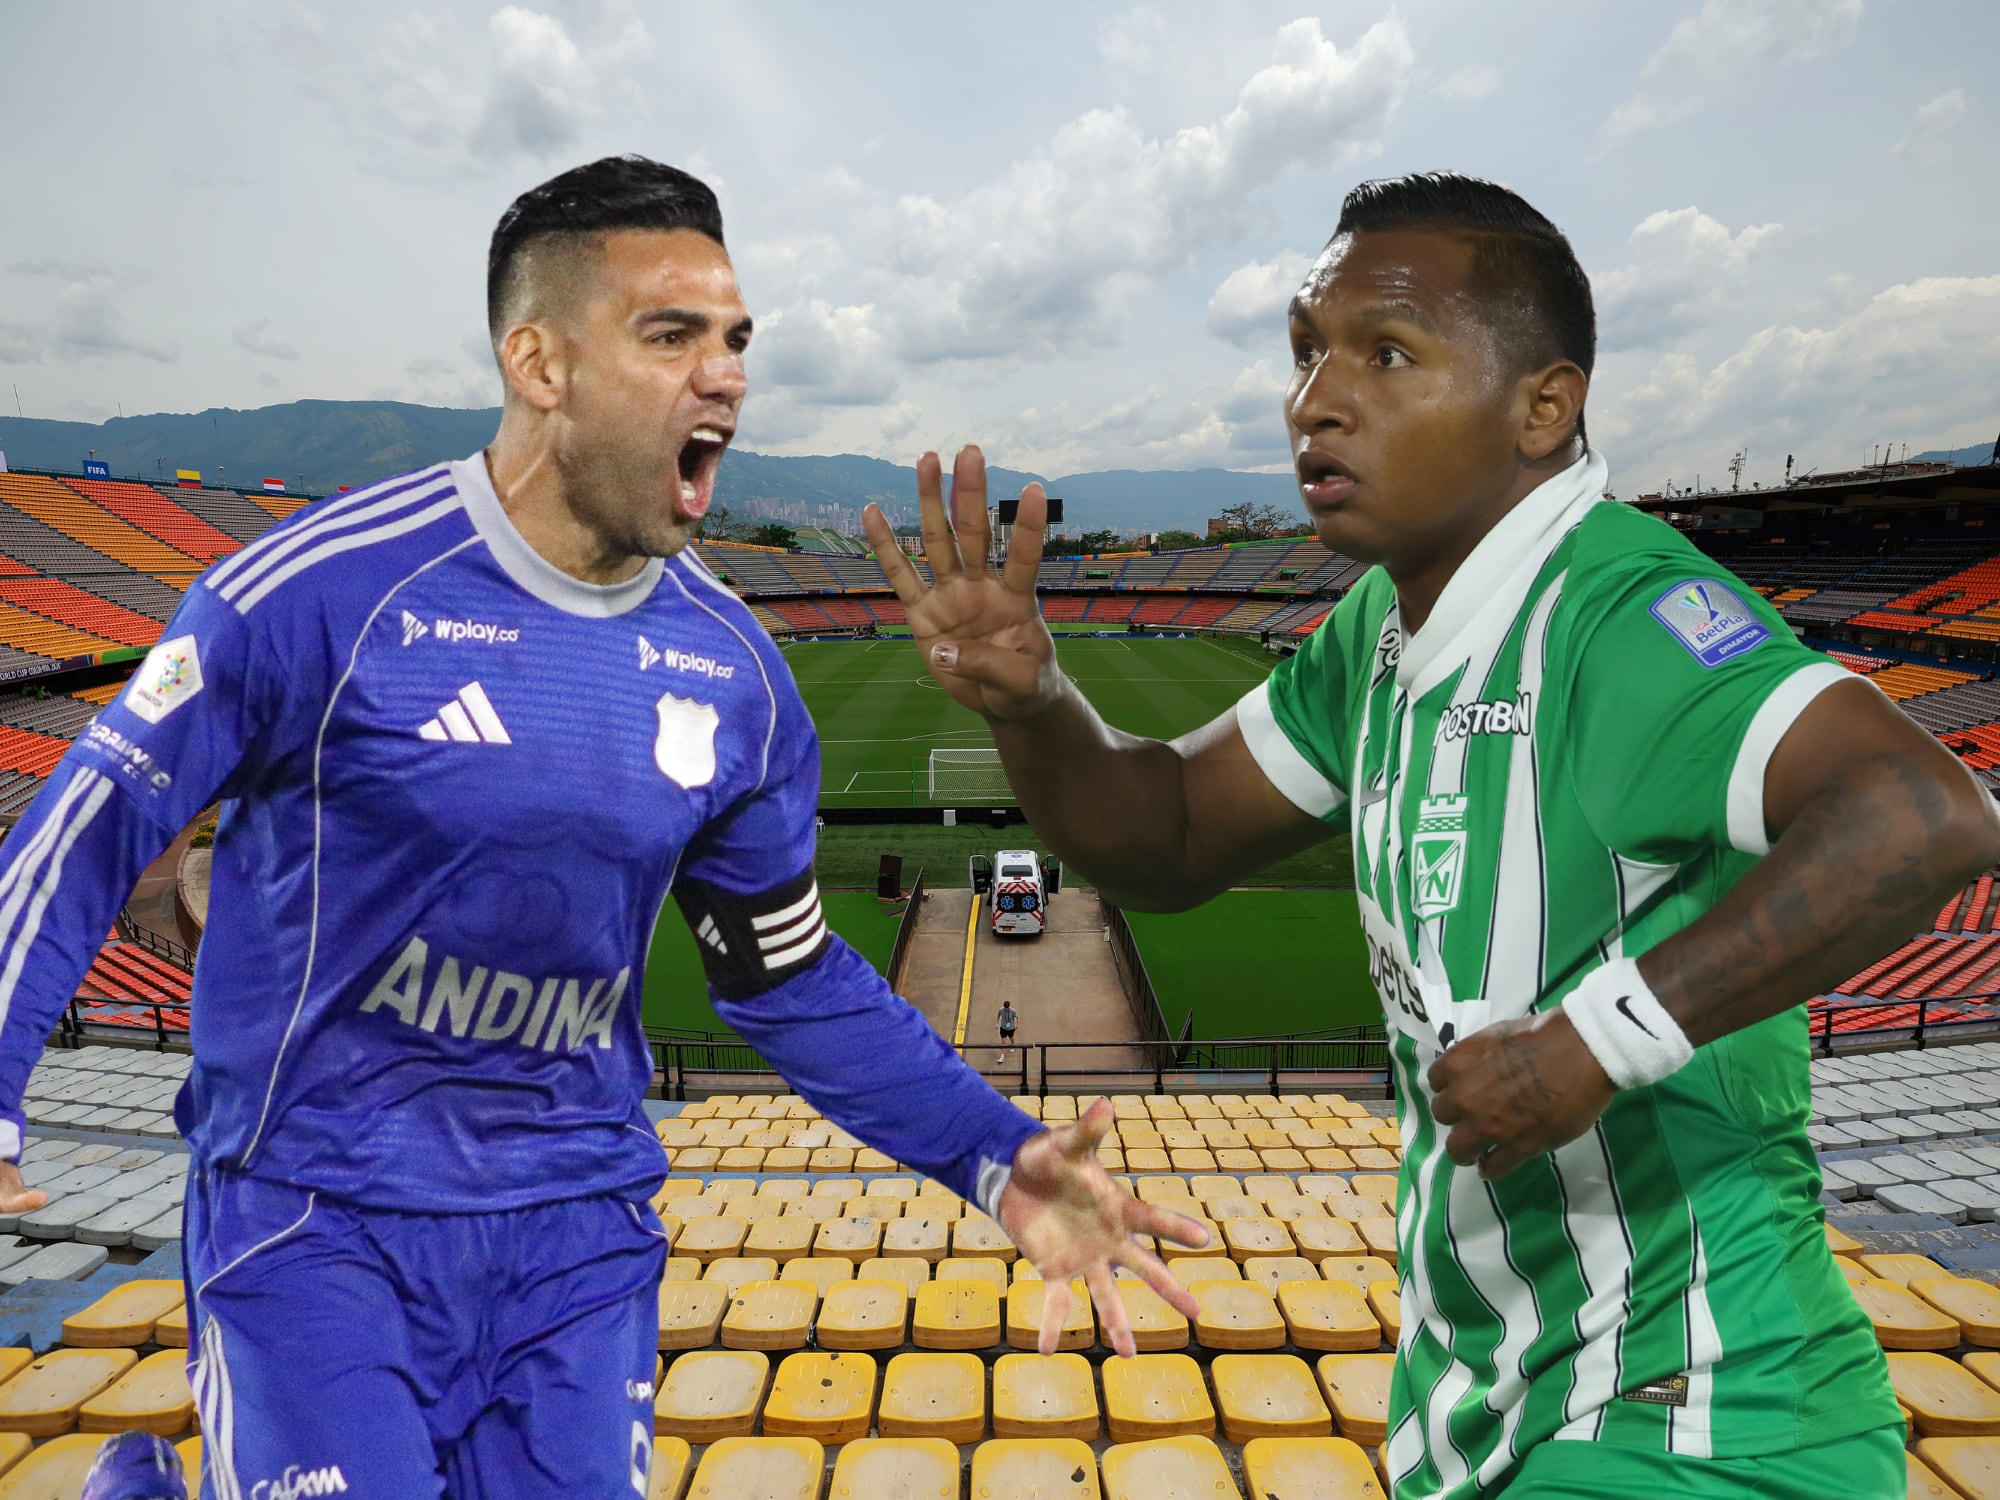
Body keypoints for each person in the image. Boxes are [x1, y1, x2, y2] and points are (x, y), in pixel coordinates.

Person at [0, 156, 1204, 1500]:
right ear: (541, 363)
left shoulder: (735, 672)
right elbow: (86, 830)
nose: (727, 375)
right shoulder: (313, 592)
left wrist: (996, 1158)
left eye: (736, 338)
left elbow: (786, 975)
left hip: (578, 1242)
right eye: (671, 334)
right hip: (317, 1220)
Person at [863, 171, 2000, 1500]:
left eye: (1386, 353)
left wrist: (1598, 1039)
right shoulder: (1378, 638)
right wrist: (1038, 701)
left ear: (1543, 406)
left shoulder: (1611, 609)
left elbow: (1922, 812)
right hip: (1482, 1412)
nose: (1314, 401)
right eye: (1306, 353)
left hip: (1691, 1414)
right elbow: (1166, 835)